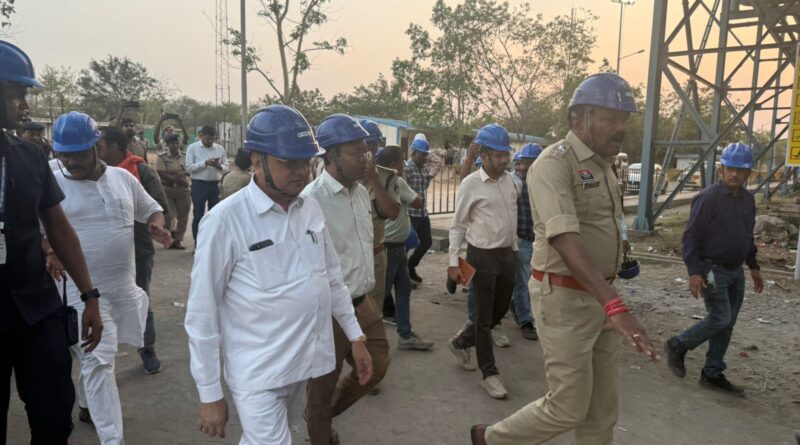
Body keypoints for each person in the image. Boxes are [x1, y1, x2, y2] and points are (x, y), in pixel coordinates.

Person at [470, 73, 658, 445]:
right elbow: (565, 239)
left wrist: (619, 264)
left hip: (601, 294)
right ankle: (490, 439)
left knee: (602, 409)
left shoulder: (605, 166)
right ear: (578, 119)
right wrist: (617, 306)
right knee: (569, 405)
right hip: (565, 299)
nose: (620, 127)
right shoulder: (553, 165)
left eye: (623, 119)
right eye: (609, 118)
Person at [185, 105, 372, 445]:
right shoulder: (225, 221)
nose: (302, 172)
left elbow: (332, 278)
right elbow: (202, 312)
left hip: (303, 363)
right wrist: (210, 392)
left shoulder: (310, 209)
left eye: (305, 161)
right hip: (258, 373)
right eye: (290, 162)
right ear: (257, 160)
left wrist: (356, 337)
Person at [0, 41, 103, 445]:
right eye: (17, 92)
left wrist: (89, 295)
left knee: (53, 417)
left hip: (35, 308)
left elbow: (60, 230)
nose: (25, 103)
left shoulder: (30, 158)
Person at [49, 111, 171, 445]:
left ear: (97, 146)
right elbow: (24, 222)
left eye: (78, 154)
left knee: (100, 359)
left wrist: (157, 224)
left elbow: (151, 208)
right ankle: (112, 439)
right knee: (98, 359)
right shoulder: (48, 177)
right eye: (64, 155)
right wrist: (47, 248)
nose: (70, 162)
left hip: (119, 288)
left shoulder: (122, 179)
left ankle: (87, 405)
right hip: (77, 291)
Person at [303, 114, 390, 445]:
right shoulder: (312, 200)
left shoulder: (359, 191)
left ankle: (322, 417)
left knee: (377, 365)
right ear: (330, 156)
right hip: (329, 309)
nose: (366, 158)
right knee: (321, 386)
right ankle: (320, 429)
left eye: (367, 149)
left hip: (361, 302)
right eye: (357, 151)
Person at [665, 142, 763, 397]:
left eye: (740, 170)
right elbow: (690, 238)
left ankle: (712, 372)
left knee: (727, 324)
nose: (735, 174)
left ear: (748, 173)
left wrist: (754, 266)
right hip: (712, 270)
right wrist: (694, 272)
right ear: (722, 168)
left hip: (736, 271)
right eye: (730, 168)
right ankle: (678, 344)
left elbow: (746, 235)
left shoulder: (748, 200)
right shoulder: (707, 198)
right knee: (720, 317)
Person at [446, 124, 518, 400]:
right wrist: (454, 262)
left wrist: (514, 249)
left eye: (506, 154)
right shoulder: (471, 184)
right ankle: (490, 374)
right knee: (484, 318)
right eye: (499, 155)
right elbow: (457, 226)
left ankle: (461, 341)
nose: (504, 160)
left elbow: (510, 218)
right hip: (481, 255)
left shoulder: (509, 181)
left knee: (499, 313)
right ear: (485, 155)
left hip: (507, 255)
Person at [96, 126, 170, 374]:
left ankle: (146, 348)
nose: (96, 151)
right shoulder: (90, 173)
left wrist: (153, 224)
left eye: (101, 146)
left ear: (115, 147)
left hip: (137, 250)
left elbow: (158, 205)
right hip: (100, 255)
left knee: (140, 299)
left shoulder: (139, 171)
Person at [377, 145, 434, 350]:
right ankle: (368, 343)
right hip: (391, 248)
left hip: (395, 247)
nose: (404, 164)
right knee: (380, 296)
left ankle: (406, 334)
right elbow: (418, 202)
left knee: (402, 290)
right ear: (393, 164)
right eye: (401, 161)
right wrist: (411, 192)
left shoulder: (379, 180)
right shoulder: (397, 180)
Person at [357, 119, 400, 323]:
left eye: (366, 147)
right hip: (347, 259)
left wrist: (374, 179)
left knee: (373, 316)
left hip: (375, 256)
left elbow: (392, 212)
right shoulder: (341, 178)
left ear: (374, 147)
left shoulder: (388, 177)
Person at [508, 143, 543, 341]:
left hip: (538, 241)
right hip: (520, 239)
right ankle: (525, 320)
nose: (525, 167)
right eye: (523, 162)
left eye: (530, 162)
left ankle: (520, 307)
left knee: (533, 280)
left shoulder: (542, 183)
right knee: (523, 281)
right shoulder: (514, 182)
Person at [405, 133, 441, 284]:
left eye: (426, 155)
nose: (425, 157)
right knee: (406, 246)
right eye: (422, 154)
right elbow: (402, 191)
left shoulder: (423, 169)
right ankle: (401, 275)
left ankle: (410, 266)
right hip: (410, 214)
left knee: (426, 242)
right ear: (414, 153)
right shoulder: (407, 168)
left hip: (422, 213)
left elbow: (437, 164)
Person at [185, 125, 227, 242]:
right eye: (208, 138)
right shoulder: (192, 148)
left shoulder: (219, 149)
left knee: (215, 216)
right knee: (198, 215)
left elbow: (226, 168)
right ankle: (198, 244)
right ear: (201, 136)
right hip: (199, 185)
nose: (210, 141)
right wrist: (205, 163)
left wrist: (219, 166)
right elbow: (189, 168)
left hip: (215, 185)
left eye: (213, 138)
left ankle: (213, 243)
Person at [156, 133, 191, 249]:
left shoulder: (186, 156)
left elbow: (189, 171)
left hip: (182, 190)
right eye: (172, 143)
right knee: (168, 216)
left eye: (177, 143)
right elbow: (162, 174)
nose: (176, 146)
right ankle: (168, 238)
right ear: (167, 144)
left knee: (183, 215)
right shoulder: (162, 157)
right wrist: (178, 176)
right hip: (167, 188)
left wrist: (174, 174)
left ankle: (178, 240)